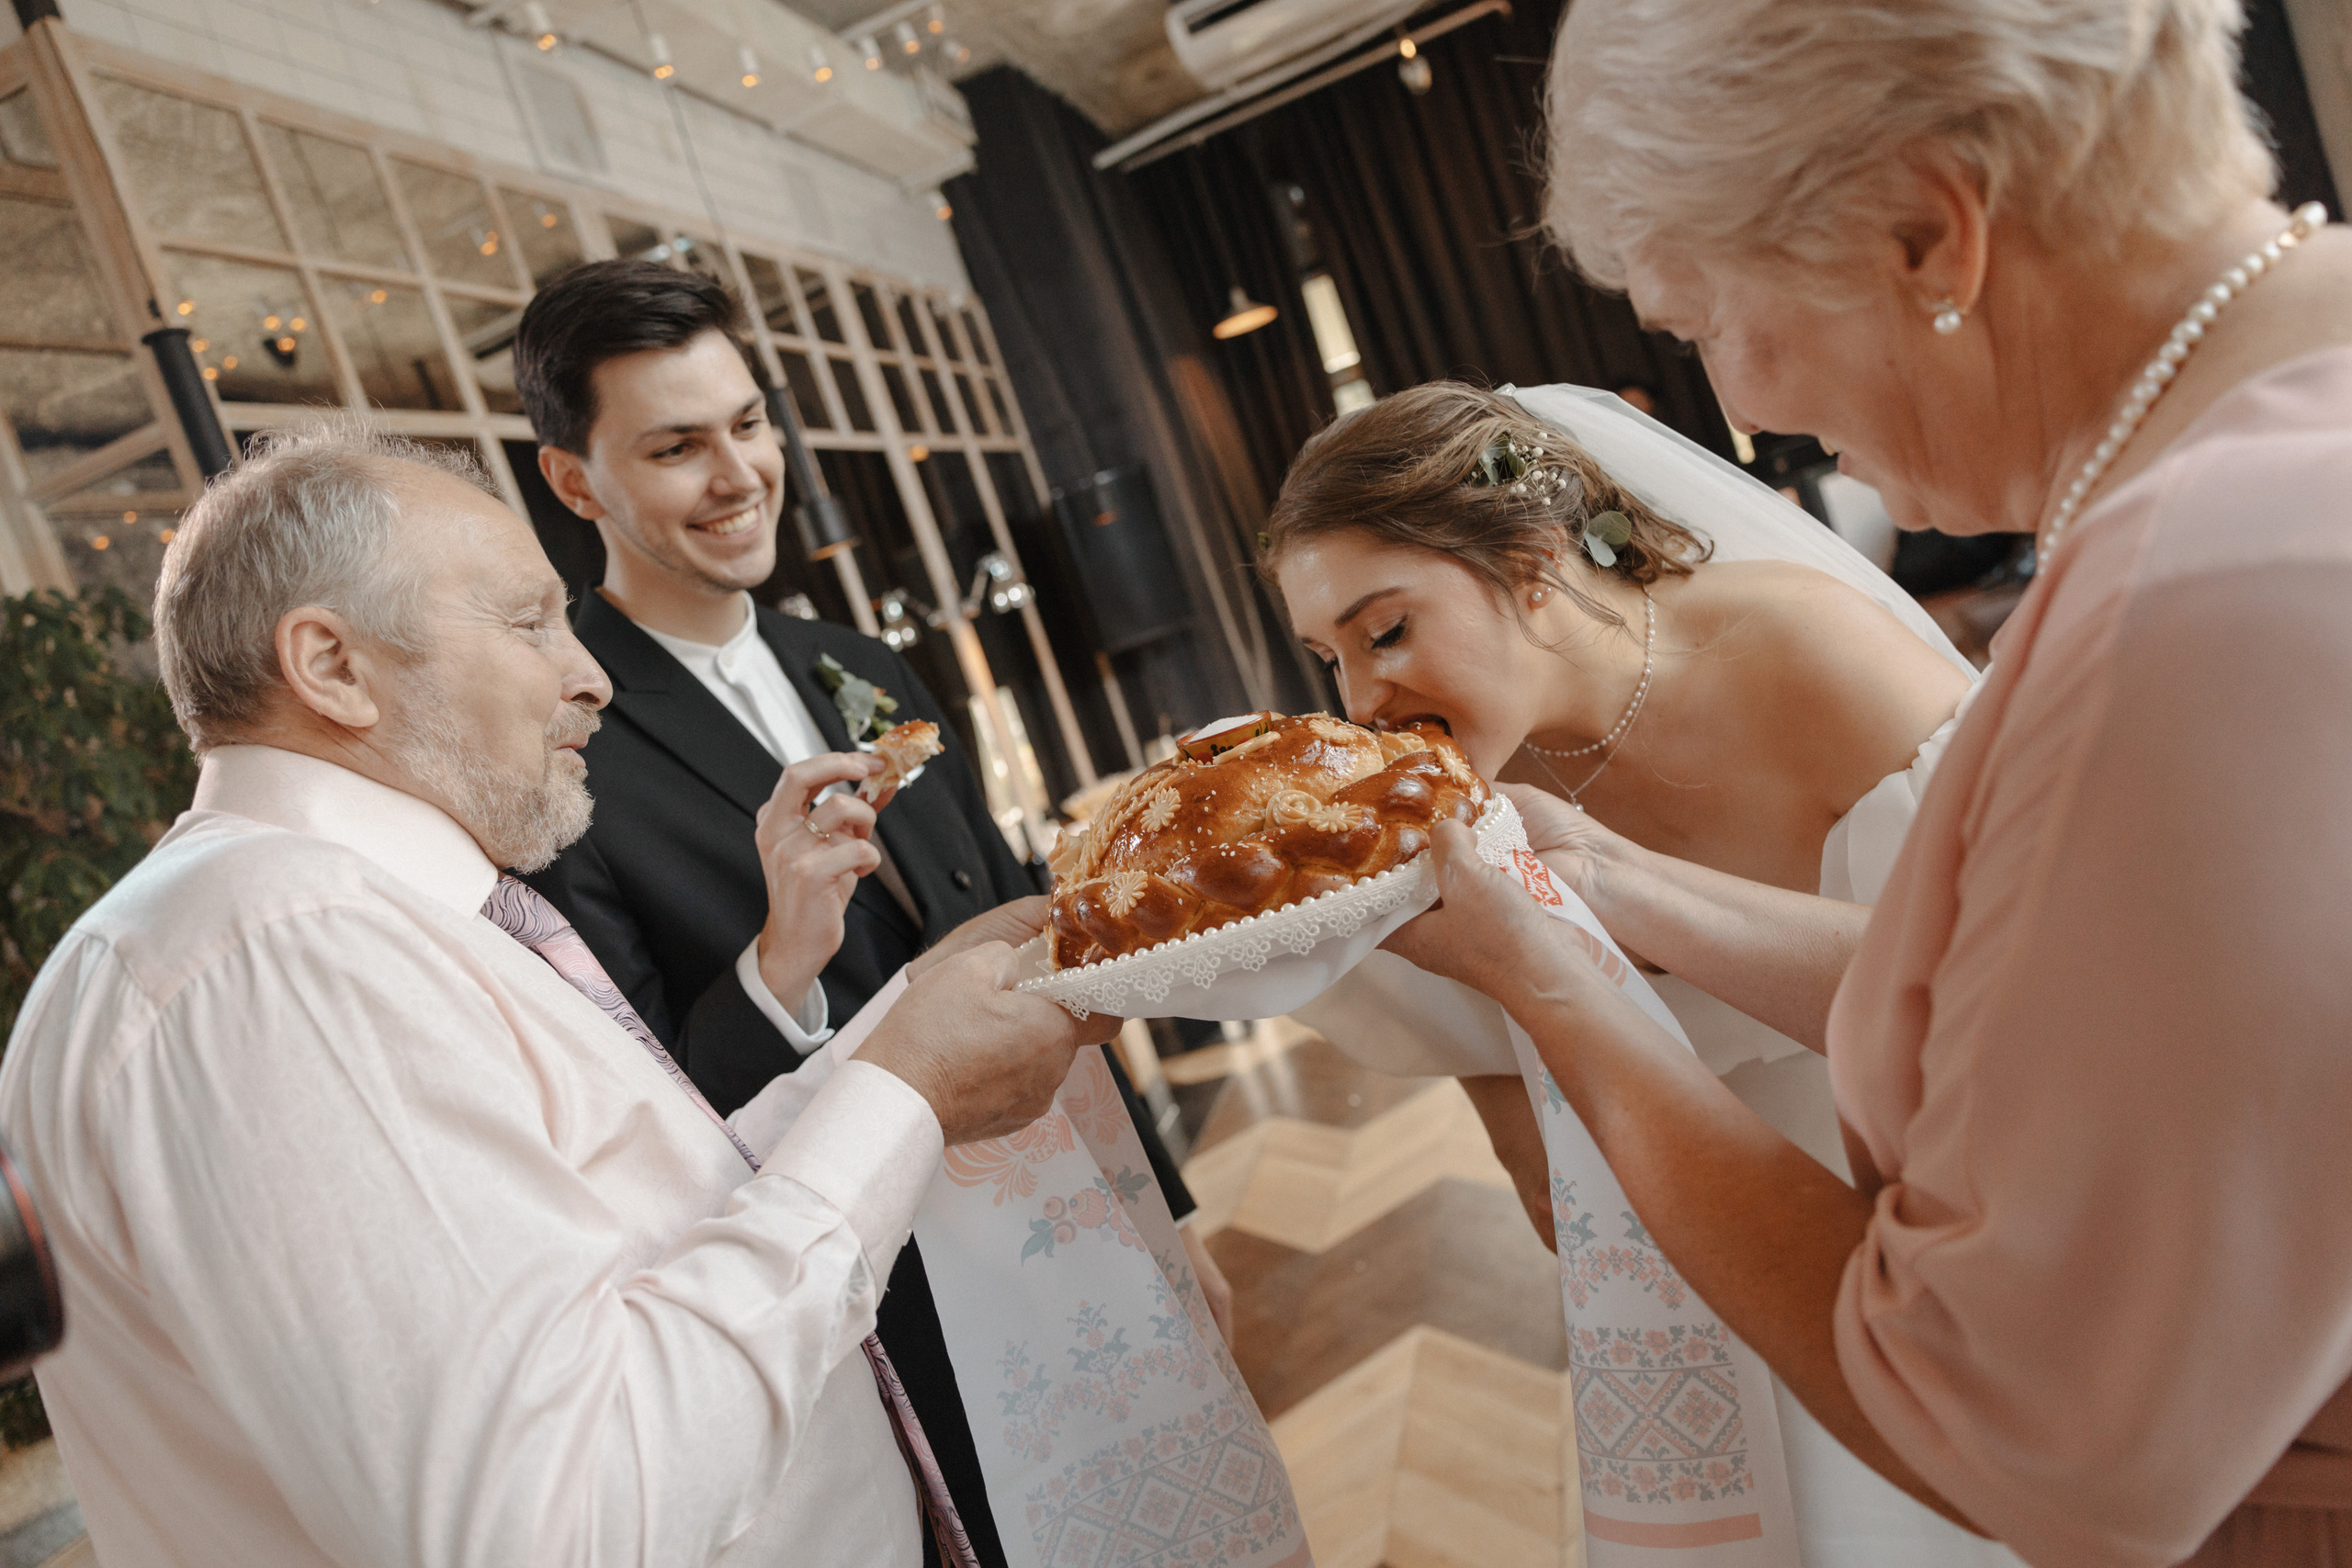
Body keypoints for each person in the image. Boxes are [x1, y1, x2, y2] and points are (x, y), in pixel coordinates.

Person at [1384, 1, 2352, 1564]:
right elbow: (2071, 1012)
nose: (1745, 409)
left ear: (1927, 232)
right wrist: (1623, 890)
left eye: (1706, 319)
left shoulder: (2206, 600)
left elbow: (2025, 1425)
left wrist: (1560, 988)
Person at [0, 424, 1106, 1565]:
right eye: (529, 621)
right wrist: (899, 1094)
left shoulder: (331, 923)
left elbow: (627, 1240)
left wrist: (903, 1036)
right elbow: (558, 1521)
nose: (592, 675)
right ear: (332, 667)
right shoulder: (278, 962)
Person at [507, 260, 1229, 1567]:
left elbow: (1029, 938)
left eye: (748, 424)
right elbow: (644, 1124)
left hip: (1071, 1216)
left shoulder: (859, 663)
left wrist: (1159, 1211)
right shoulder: (565, 758)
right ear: (574, 482)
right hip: (887, 1307)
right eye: (676, 446)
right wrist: (782, 955)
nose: (739, 475)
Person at [1267, 379, 2014, 1566]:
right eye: (1330, 655)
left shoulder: (1810, 652)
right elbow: (1557, 1203)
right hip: (1704, 1295)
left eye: (1387, 628)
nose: (1362, 699)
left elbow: (2029, 999)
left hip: (1978, 1238)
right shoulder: (1456, 823)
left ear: (1533, 556)